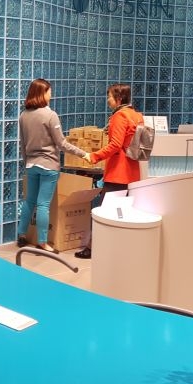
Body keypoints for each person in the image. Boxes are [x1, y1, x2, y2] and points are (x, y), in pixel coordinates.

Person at [17, 78, 90, 253]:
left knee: (29, 201)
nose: (51, 94)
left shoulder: (23, 115)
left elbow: (22, 144)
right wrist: (84, 154)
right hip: (48, 165)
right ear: (42, 93)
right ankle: (43, 242)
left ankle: (21, 235)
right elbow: (62, 143)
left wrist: (27, 163)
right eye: (49, 91)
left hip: (31, 165)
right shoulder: (50, 115)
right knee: (43, 204)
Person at [75, 83, 145, 260]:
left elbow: (115, 145)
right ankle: (119, 248)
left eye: (110, 97)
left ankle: (93, 248)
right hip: (132, 172)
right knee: (123, 213)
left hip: (118, 172)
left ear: (119, 99)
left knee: (103, 212)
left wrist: (94, 156)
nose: (108, 100)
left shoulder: (119, 116)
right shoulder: (136, 115)